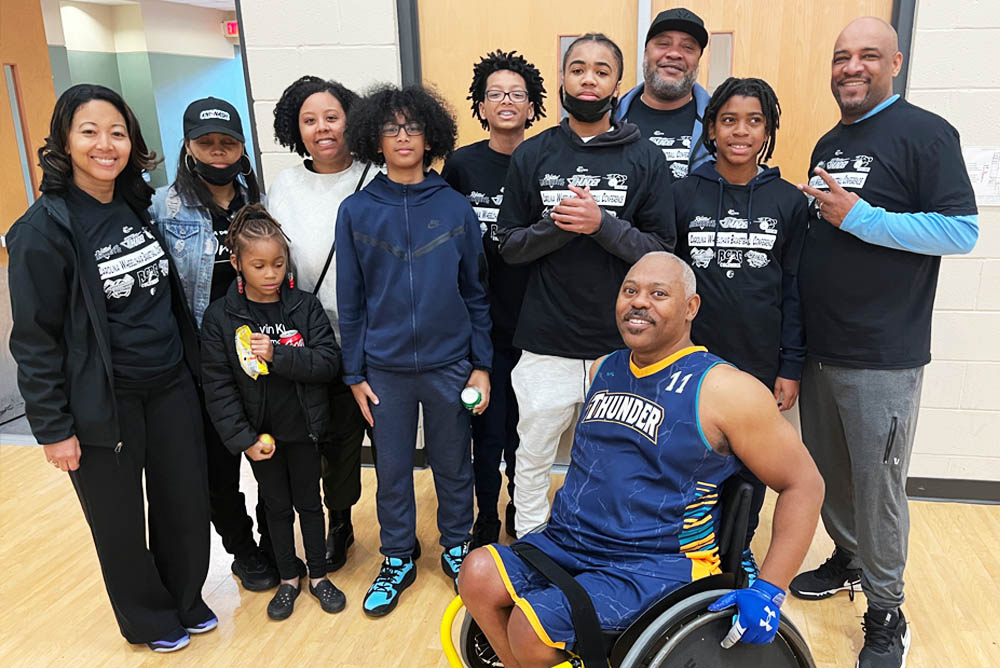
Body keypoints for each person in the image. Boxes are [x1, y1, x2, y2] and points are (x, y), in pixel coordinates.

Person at [458, 252, 825, 668]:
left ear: (691, 307)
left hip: (656, 563)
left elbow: (805, 484)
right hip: (570, 542)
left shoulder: (726, 389)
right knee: (477, 572)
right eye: (630, 290)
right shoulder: (604, 368)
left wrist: (770, 589)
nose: (638, 301)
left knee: (531, 627)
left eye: (658, 294)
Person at [792, 17, 978, 668]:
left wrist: (862, 217)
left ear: (894, 63)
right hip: (821, 348)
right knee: (831, 473)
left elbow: (961, 232)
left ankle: (886, 610)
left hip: (882, 353)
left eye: (868, 55)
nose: (852, 67)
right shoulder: (830, 140)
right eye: (841, 56)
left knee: (879, 488)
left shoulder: (927, 133)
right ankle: (848, 557)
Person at [7, 83, 213, 653]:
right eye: (89, 132)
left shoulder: (133, 204)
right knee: (119, 521)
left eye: (117, 132)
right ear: (64, 142)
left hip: (170, 383)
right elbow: (35, 340)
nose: (106, 144)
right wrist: (53, 428)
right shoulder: (41, 231)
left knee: (183, 503)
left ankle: (186, 597)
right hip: (103, 400)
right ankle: (148, 618)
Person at [496, 33, 675, 538]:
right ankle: (531, 544)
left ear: (618, 83)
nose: (588, 79)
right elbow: (509, 245)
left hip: (622, 345)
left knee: (619, 460)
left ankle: (605, 545)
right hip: (545, 342)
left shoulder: (646, 158)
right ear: (562, 79)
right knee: (532, 457)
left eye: (601, 70)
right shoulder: (532, 154)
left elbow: (663, 251)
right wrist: (559, 225)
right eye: (577, 69)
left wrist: (601, 225)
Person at [337, 84, 492, 617]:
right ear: (374, 140)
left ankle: (457, 546)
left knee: (453, 464)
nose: (402, 137)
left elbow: (476, 292)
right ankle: (398, 556)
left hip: (451, 366)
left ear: (431, 138)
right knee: (393, 470)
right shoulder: (356, 210)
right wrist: (354, 373)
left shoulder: (454, 206)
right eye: (390, 129)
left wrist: (481, 366)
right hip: (384, 370)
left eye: (413, 127)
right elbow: (350, 301)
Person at [672, 77, 808, 581]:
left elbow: (794, 289)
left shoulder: (788, 202)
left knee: (751, 468)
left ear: (767, 130)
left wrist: (790, 365)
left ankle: (739, 550)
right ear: (711, 129)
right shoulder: (681, 194)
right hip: (694, 360)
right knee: (690, 461)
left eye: (754, 121)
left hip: (758, 360)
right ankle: (691, 552)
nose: (740, 131)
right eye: (729, 120)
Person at [150, 97, 278, 592]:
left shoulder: (258, 201)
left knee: (272, 460)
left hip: (262, 354)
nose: (218, 152)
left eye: (228, 142)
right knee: (219, 469)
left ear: (242, 147)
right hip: (206, 361)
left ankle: (274, 540)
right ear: (188, 146)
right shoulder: (163, 208)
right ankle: (243, 551)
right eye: (207, 143)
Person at [200, 204, 346, 621]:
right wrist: (244, 439)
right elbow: (218, 386)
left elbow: (327, 363)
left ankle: (318, 576)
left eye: (278, 264)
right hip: (261, 437)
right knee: (276, 508)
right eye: (259, 266)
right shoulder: (220, 318)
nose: (271, 274)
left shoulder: (304, 307)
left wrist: (278, 354)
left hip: (304, 430)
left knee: (310, 505)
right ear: (237, 264)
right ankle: (288, 579)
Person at [268, 75, 377, 572]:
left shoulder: (375, 176)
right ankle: (326, 522)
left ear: (351, 121)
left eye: (332, 117)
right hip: (310, 341)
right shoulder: (285, 186)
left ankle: (369, 525)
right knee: (320, 439)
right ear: (297, 130)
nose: (322, 128)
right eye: (309, 120)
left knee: (366, 440)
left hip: (369, 339)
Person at [441, 49, 546, 547]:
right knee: (485, 431)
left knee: (528, 433)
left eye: (517, 94)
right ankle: (484, 516)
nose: (506, 101)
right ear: (481, 106)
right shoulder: (462, 165)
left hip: (537, 322)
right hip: (478, 325)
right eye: (495, 94)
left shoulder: (546, 160)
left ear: (532, 106)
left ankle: (520, 510)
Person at [616, 7, 711, 181]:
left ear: (698, 60)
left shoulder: (718, 124)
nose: (674, 54)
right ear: (645, 52)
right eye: (663, 44)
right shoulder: (610, 119)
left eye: (688, 47)